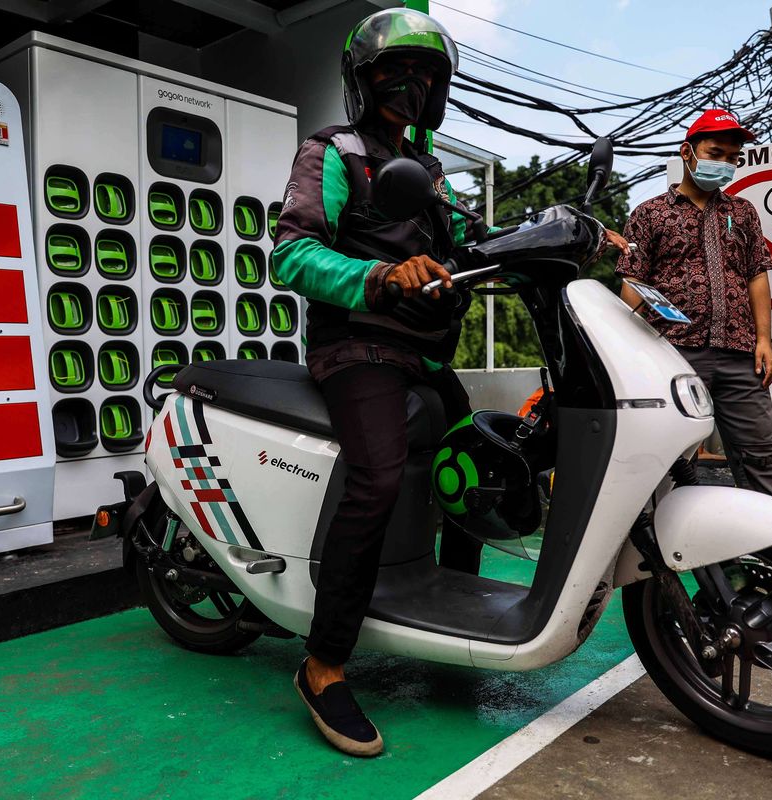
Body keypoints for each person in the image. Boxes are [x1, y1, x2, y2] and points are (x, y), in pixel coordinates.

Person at [271, 8, 484, 757]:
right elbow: (291, 254)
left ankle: (454, 620)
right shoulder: (331, 151)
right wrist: (381, 275)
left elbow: (466, 244)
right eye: (396, 72)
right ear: (363, 82)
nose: (412, 86)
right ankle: (324, 665)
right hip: (357, 346)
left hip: (424, 355)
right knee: (380, 477)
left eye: (427, 75)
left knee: (481, 464)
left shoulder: (431, 171)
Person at [616, 109, 772, 503]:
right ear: (687, 152)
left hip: (739, 355)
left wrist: (764, 340)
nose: (725, 164)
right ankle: (654, 553)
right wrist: (636, 351)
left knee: (762, 457)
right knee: (667, 458)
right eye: (716, 153)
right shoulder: (649, 214)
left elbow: (756, 275)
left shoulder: (742, 212)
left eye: (733, 158)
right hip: (672, 355)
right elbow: (633, 283)